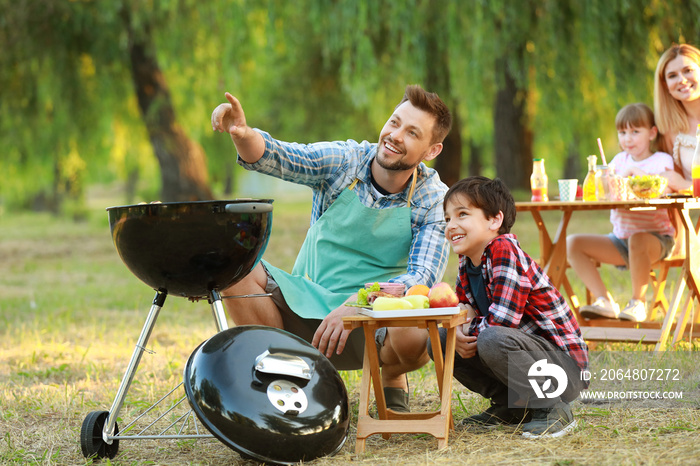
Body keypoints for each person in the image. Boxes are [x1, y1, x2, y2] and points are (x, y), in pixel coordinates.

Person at [211, 85, 452, 412]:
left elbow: (422, 277)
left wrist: (358, 303)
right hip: (304, 302)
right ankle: (283, 377)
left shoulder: (434, 198)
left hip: (374, 319)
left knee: (413, 333)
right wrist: (242, 133)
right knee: (237, 267)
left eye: (412, 133)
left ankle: (393, 375)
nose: (395, 135)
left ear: (431, 150)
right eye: (394, 123)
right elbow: (282, 156)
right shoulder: (346, 160)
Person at [427, 176, 588, 439]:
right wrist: (458, 331)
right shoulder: (467, 262)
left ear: (494, 220)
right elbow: (463, 308)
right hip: (525, 358)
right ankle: (513, 406)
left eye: (462, 214)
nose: (451, 225)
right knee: (441, 338)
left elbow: (502, 322)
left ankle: (551, 407)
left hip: (563, 369)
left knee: (490, 337)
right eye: (447, 219)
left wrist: (467, 328)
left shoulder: (504, 250)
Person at [568, 103, 675, 322]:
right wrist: (605, 184)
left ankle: (638, 302)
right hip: (620, 241)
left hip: (657, 241)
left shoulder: (661, 161)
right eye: (623, 132)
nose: (628, 138)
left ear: (652, 133)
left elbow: (665, 188)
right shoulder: (617, 162)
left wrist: (635, 172)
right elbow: (605, 194)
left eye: (635, 132)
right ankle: (604, 300)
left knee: (638, 239)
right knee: (572, 243)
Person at [654, 43, 700, 191]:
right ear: (665, 85)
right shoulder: (670, 132)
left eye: (688, 70)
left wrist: (685, 186)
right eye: (672, 75)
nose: (681, 79)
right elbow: (675, 198)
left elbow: (680, 184)